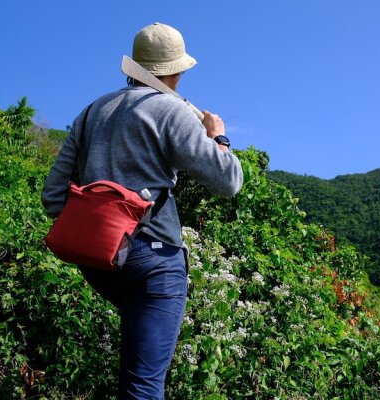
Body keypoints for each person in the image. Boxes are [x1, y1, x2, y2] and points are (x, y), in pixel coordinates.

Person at [41, 22, 243, 399]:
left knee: (137, 371)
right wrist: (218, 135)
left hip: (99, 261)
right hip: (154, 260)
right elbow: (228, 180)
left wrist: (100, 226)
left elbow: (53, 196)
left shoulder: (90, 113)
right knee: (144, 385)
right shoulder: (171, 110)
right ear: (176, 70)